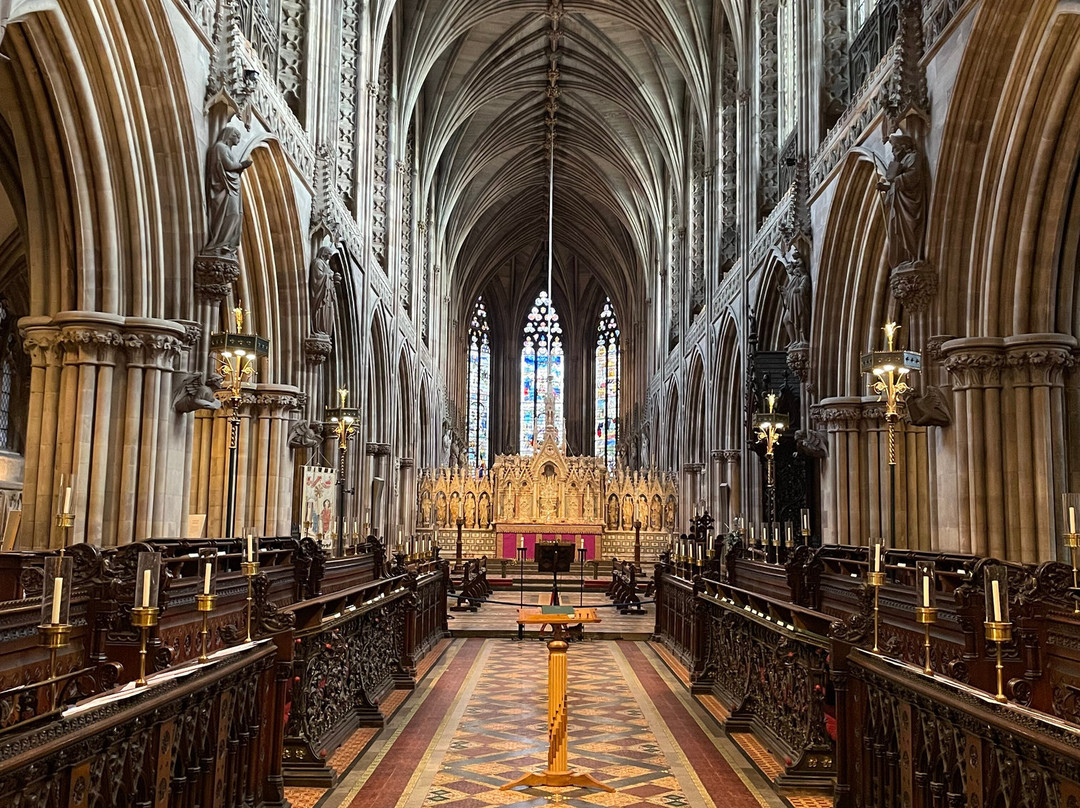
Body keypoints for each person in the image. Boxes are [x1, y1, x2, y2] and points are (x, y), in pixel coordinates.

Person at [877, 133, 928, 270]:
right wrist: (886, 188)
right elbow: (896, 184)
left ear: (904, 147)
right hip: (899, 204)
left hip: (909, 203)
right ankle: (906, 258)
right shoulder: (901, 161)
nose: (893, 152)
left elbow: (913, 176)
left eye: (895, 148)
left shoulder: (913, 157)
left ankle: (915, 256)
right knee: (898, 231)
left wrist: (895, 179)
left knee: (911, 228)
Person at [203, 126, 253, 257]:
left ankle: (227, 244)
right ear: (231, 135)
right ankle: (218, 243)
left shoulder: (228, 150)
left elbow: (232, 168)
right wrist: (243, 165)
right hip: (225, 189)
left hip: (232, 188)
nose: (239, 140)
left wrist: (240, 167)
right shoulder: (220, 147)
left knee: (236, 215)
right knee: (231, 214)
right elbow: (228, 165)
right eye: (237, 136)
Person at [310, 246, 339, 338]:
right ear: (324, 253)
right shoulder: (317, 262)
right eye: (329, 254)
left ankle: (323, 330)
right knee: (320, 311)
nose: (330, 256)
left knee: (327, 314)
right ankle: (317, 328)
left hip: (327, 295)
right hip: (321, 295)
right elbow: (318, 277)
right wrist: (330, 277)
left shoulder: (326, 265)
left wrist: (334, 280)